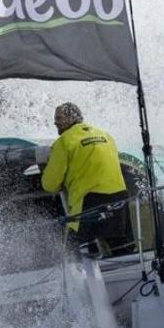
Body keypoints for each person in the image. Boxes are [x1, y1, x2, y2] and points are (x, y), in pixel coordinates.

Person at [40, 102, 129, 253]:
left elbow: (50, 184)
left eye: (58, 118)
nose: (55, 122)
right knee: (121, 248)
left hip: (89, 201)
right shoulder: (105, 135)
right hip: (120, 198)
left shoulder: (64, 142)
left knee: (72, 247)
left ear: (70, 118)